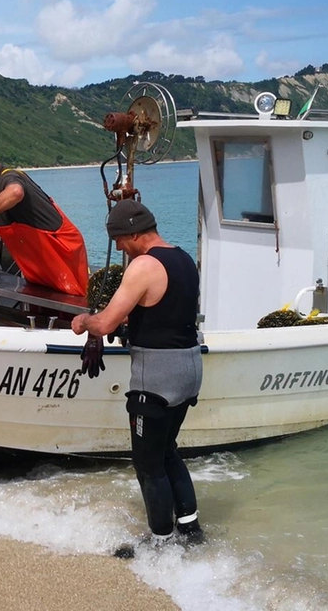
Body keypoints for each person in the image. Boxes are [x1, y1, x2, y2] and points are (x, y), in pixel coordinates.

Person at [70, 199, 204, 544]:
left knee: (147, 464)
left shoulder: (143, 265)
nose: (117, 247)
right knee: (168, 450)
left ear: (132, 233)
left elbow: (105, 322)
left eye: (118, 239)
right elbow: (162, 309)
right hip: (189, 368)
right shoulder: (183, 259)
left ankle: (160, 540)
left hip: (156, 377)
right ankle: (189, 529)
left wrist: (84, 322)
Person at [0, 147, 89, 296]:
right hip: (36, 264)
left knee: (76, 299)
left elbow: (16, 192)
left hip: (62, 252)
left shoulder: (9, 177)